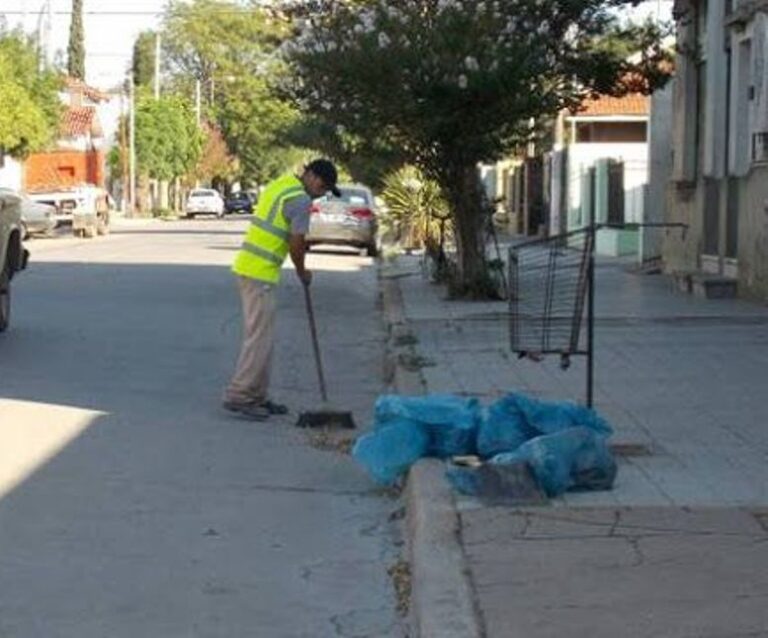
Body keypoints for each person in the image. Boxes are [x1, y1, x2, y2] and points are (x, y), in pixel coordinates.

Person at [222, 159, 341, 420]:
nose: (321, 193)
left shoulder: (282, 185)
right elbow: (296, 244)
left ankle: (257, 396)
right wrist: (302, 272)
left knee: (263, 337)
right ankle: (240, 395)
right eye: (322, 187)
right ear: (312, 177)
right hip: (258, 273)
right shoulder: (300, 201)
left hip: (251, 269)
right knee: (259, 338)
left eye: (326, 190)